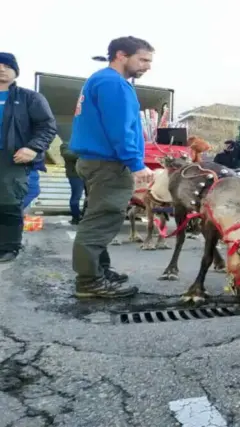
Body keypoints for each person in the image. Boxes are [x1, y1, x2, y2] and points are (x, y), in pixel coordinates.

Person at [69, 36, 155, 298]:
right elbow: (119, 129)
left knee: (98, 218)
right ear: (121, 55)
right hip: (108, 164)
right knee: (101, 220)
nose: (147, 66)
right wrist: (136, 164)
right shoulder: (112, 83)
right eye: (143, 59)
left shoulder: (101, 80)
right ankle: (89, 282)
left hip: (96, 161)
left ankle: (98, 270)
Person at [0, 52, 57, 263]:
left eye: (7, 65)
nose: (1, 68)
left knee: (9, 202)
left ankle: (8, 247)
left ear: (16, 71)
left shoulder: (29, 98)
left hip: (12, 158)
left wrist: (33, 148)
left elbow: (47, 126)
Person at [59, 138, 84, 224]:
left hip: (89, 174)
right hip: (75, 175)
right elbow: (68, 155)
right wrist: (83, 153)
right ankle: (76, 217)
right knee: (76, 196)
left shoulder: (87, 144)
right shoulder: (66, 144)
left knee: (91, 197)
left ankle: (85, 217)